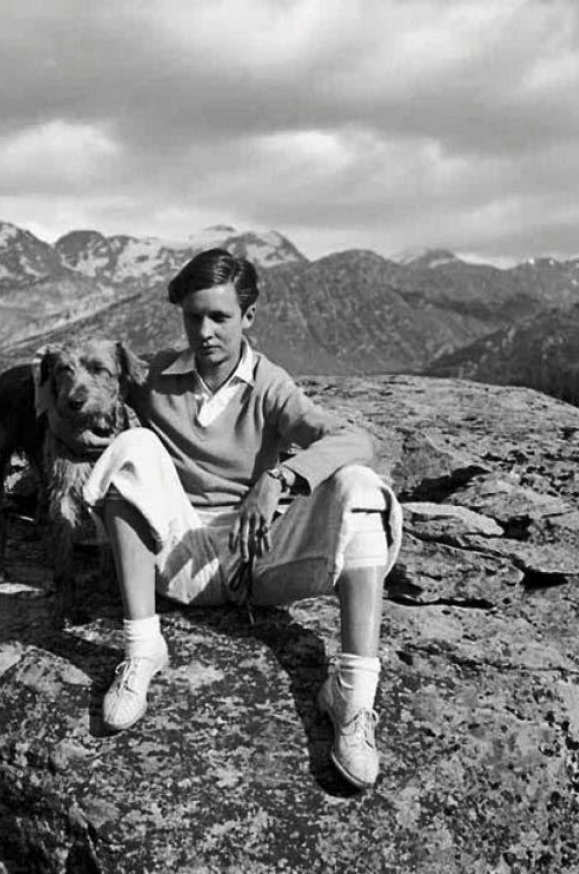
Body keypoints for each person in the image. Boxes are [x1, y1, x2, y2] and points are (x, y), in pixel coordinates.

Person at [81, 248, 402, 789]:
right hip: (177, 555)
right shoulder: (155, 375)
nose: (204, 331)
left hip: (258, 562)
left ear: (248, 318)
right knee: (133, 446)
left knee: (360, 487)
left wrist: (277, 479)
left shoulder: (269, 385)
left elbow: (355, 439)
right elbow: (86, 383)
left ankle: (352, 693)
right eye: (193, 316)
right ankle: (142, 650)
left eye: (220, 317)